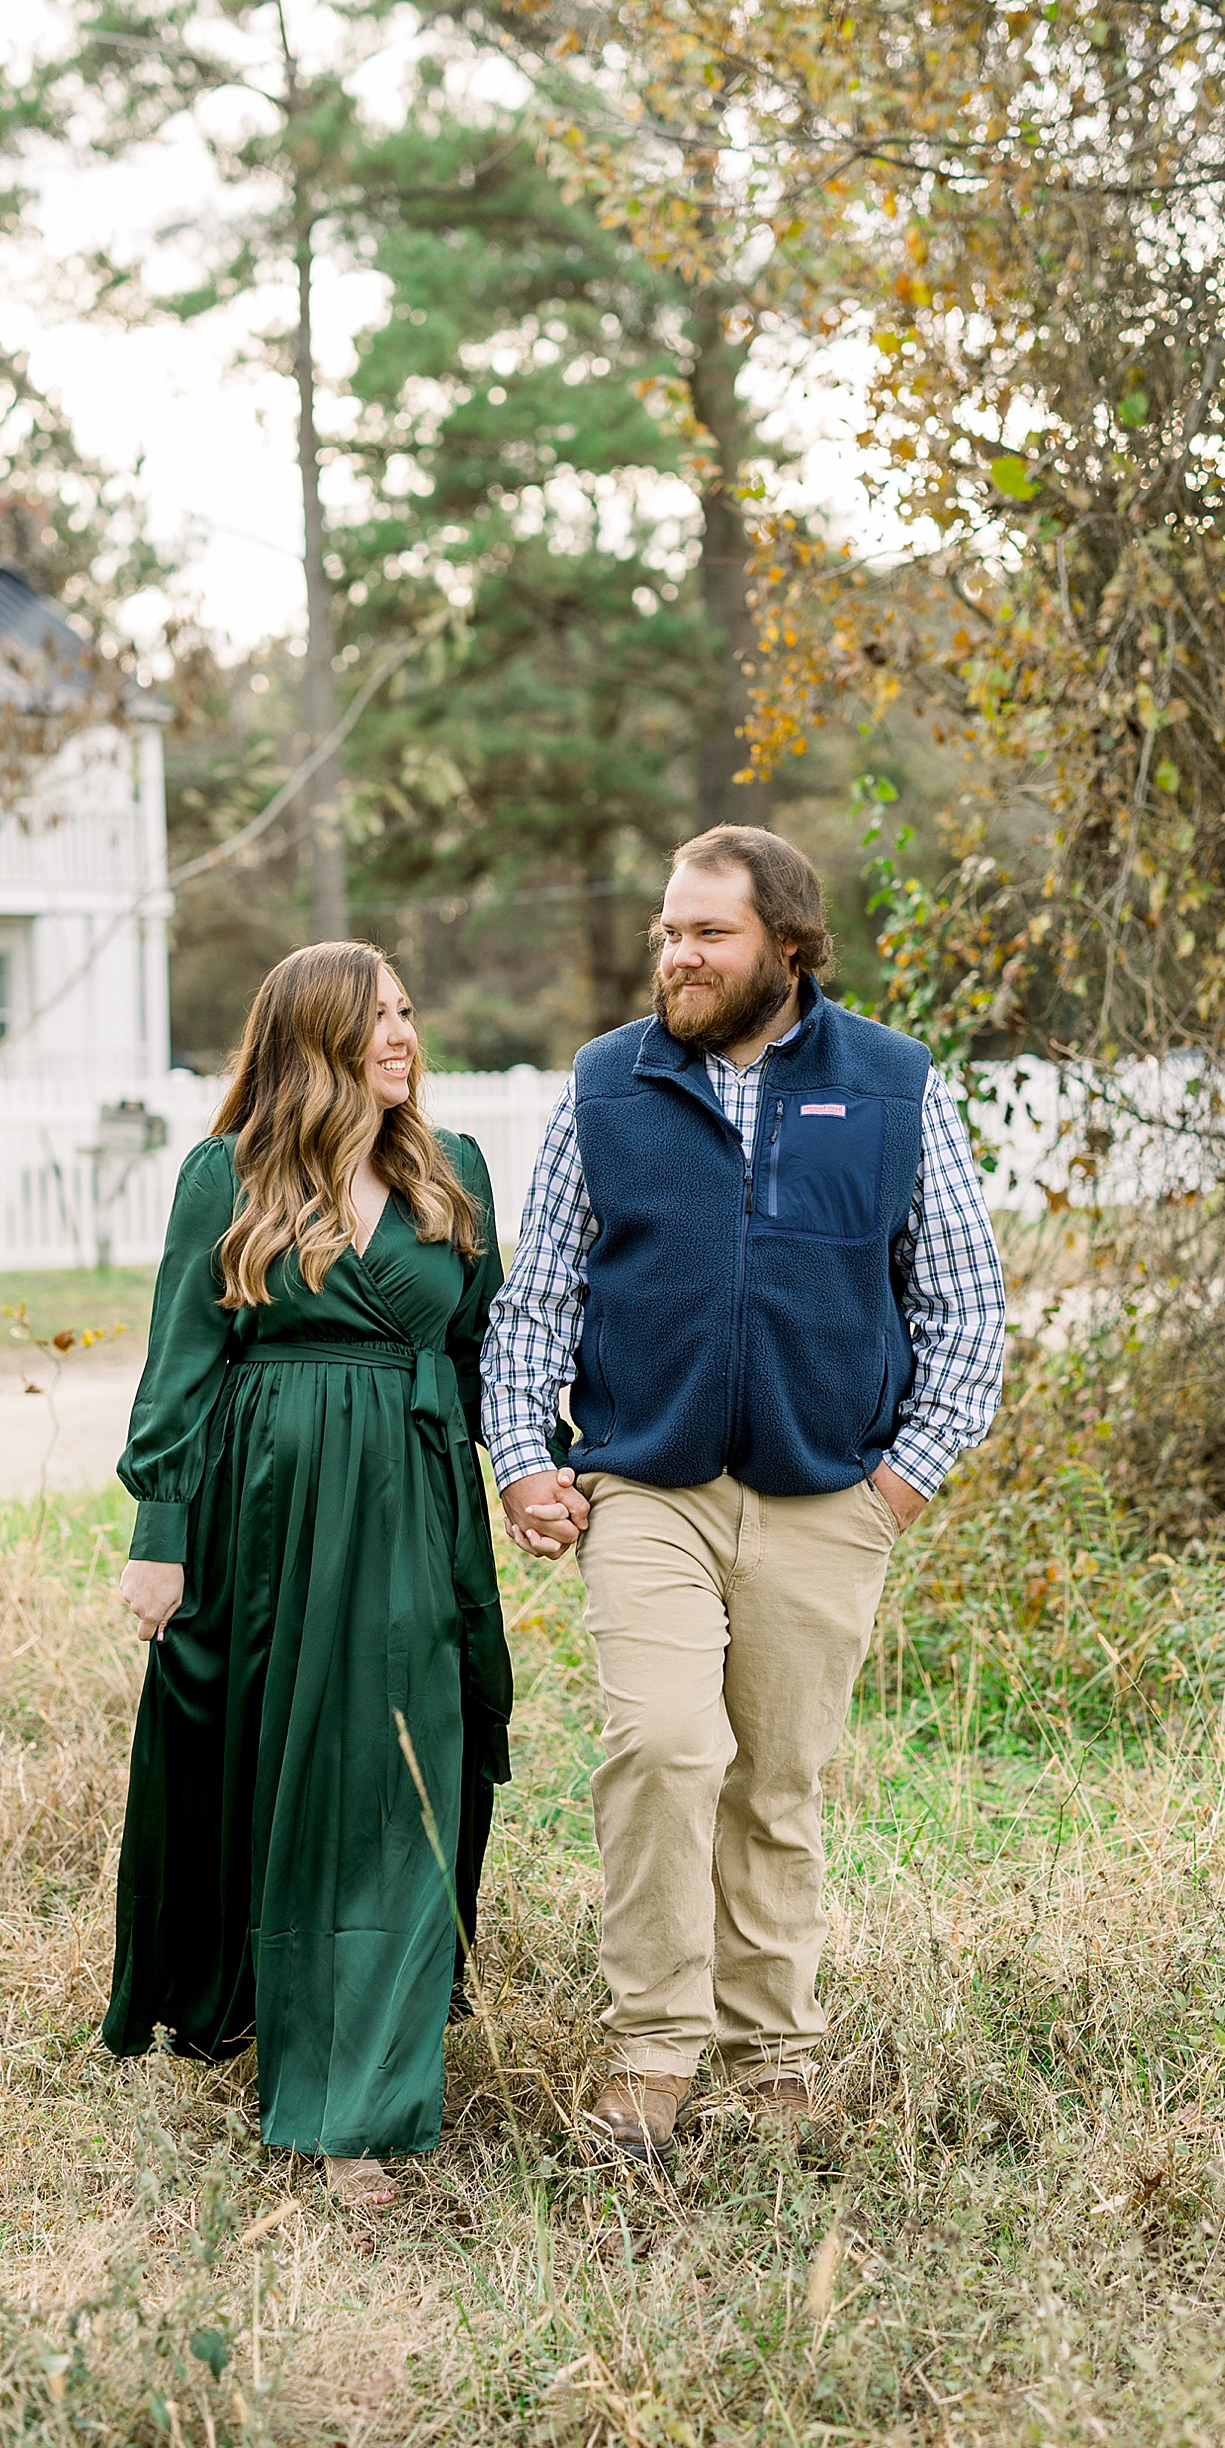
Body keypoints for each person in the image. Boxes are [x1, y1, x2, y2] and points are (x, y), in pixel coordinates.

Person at [481, 825, 1005, 2162]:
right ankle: (654, 2054)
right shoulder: (611, 1084)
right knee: (663, 1747)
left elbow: (966, 1306)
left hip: (828, 1493)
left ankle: (779, 2053)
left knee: (777, 1783)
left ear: (784, 943)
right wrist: (527, 1454)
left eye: (706, 932)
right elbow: (538, 1294)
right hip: (646, 1484)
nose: (678, 954)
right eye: (669, 930)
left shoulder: (890, 1085)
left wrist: (898, 1482)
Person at [105, 944, 513, 2209]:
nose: (404, 1038)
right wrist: (159, 1531)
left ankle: (353, 2106)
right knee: (270, 1769)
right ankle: (258, 2004)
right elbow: (181, 1361)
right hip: (271, 1514)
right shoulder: (223, 1178)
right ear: (310, 1043)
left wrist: (534, 1475)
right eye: (375, 1020)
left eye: (407, 1013)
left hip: (417, 1500)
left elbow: (482, 1346)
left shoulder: (454, 1172)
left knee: (397, 1773)